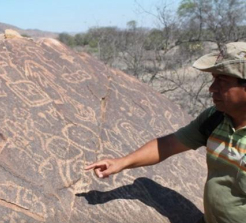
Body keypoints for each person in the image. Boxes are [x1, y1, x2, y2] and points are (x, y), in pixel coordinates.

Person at [85, 42, 246, 223]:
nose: (212, 88)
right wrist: (121, 163)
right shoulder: (214, 118)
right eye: (213, 79)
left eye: (222, 82)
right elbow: (169, 145)